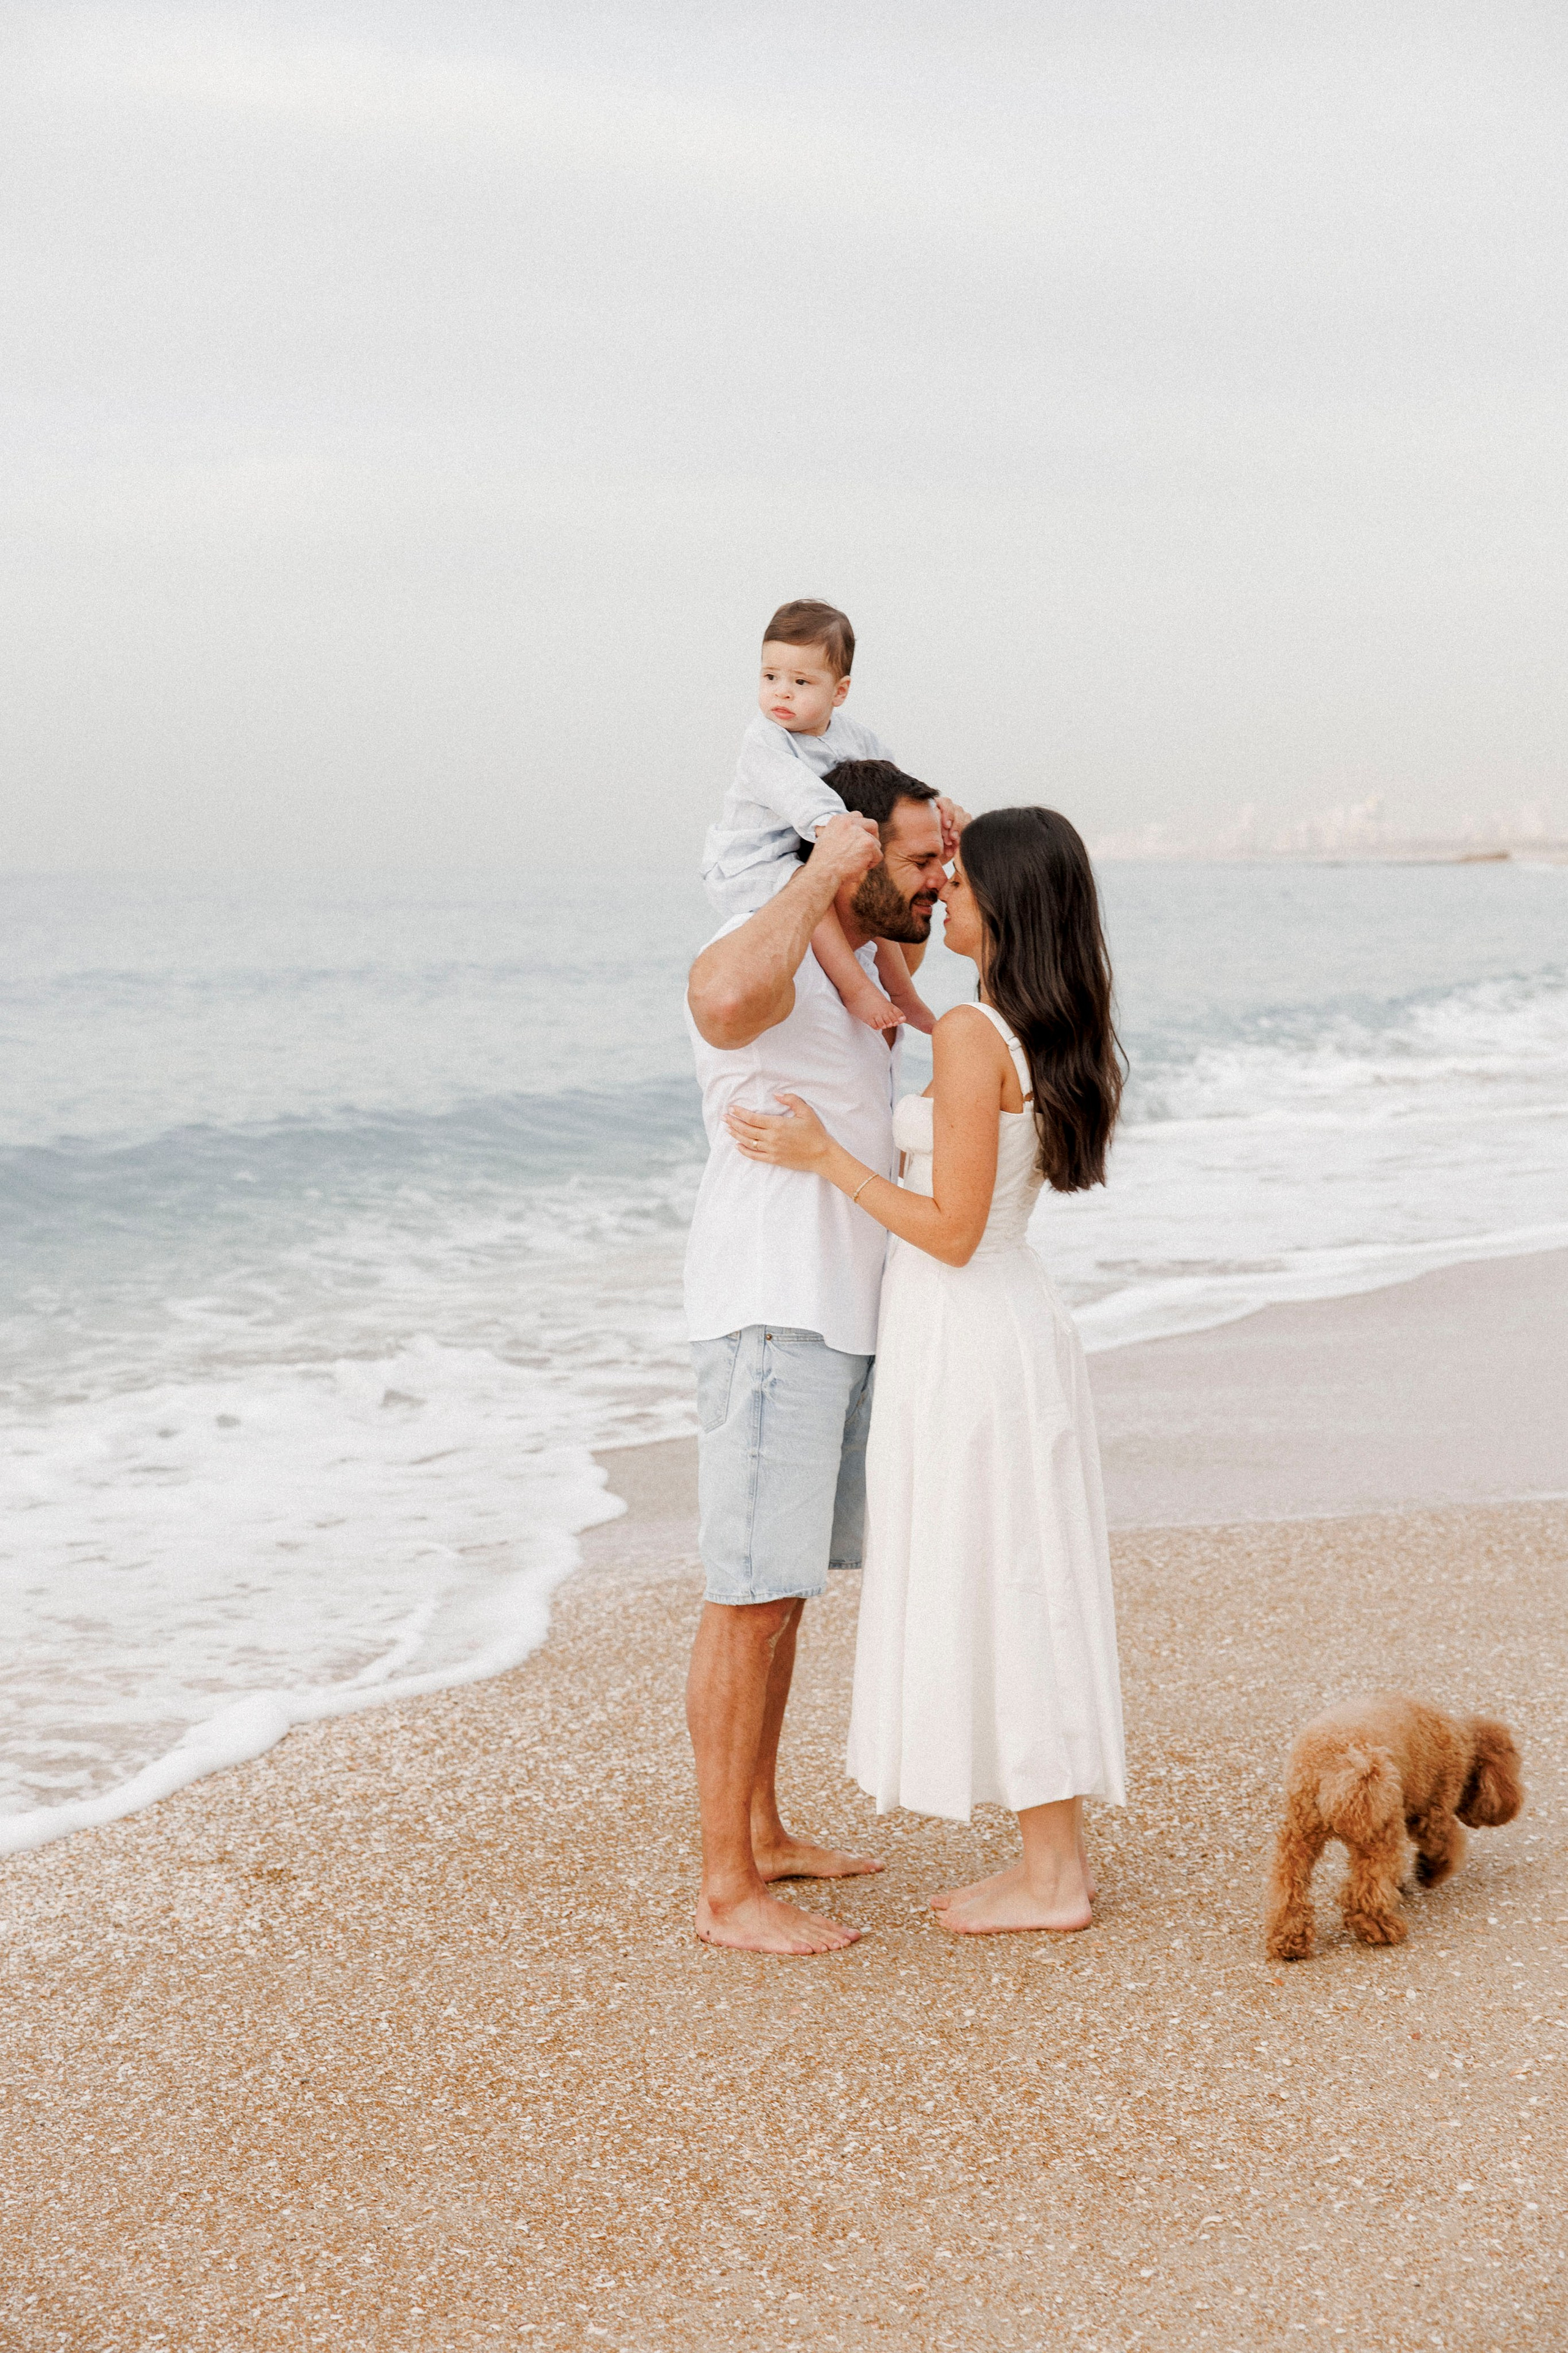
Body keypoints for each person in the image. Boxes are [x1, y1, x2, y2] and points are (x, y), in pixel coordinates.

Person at [726, 806, 1128, 1935]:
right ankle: (1050, 1863)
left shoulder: (967, 1034)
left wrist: (823, 1158)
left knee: (1005, 1577)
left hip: (968, 1327)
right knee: (1021, 1576)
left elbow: (949, 1228)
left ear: (1007, 901)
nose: (943, 892)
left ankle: (1054, 1879)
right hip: (1008, 1320)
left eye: (960, 879)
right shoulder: (1034, 1026)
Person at [684, 760, 957, 1954]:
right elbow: (715, 1007)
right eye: (914, 861)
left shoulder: (854, 984)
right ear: (846, 856)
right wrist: (818, 879)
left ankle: (762, 1833)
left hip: (838, 1317)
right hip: (770, 1311)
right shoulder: (766, 945)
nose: (936, 882)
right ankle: (722, 1891)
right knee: (745, 1599)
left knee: (781, 1590)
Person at [700, 599, 935, 1035]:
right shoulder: (764, 740)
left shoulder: (856, 737)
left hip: (811, 852)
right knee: (815, 893)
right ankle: (855, 988)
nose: (782, 692)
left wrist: (933, 815)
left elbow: (891, 784)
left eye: (801, 681)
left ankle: (904, 994)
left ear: (839, 692)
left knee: (873, 899)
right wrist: (834, 827)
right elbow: (797, 791)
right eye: (770, 677)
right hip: (752, 861)